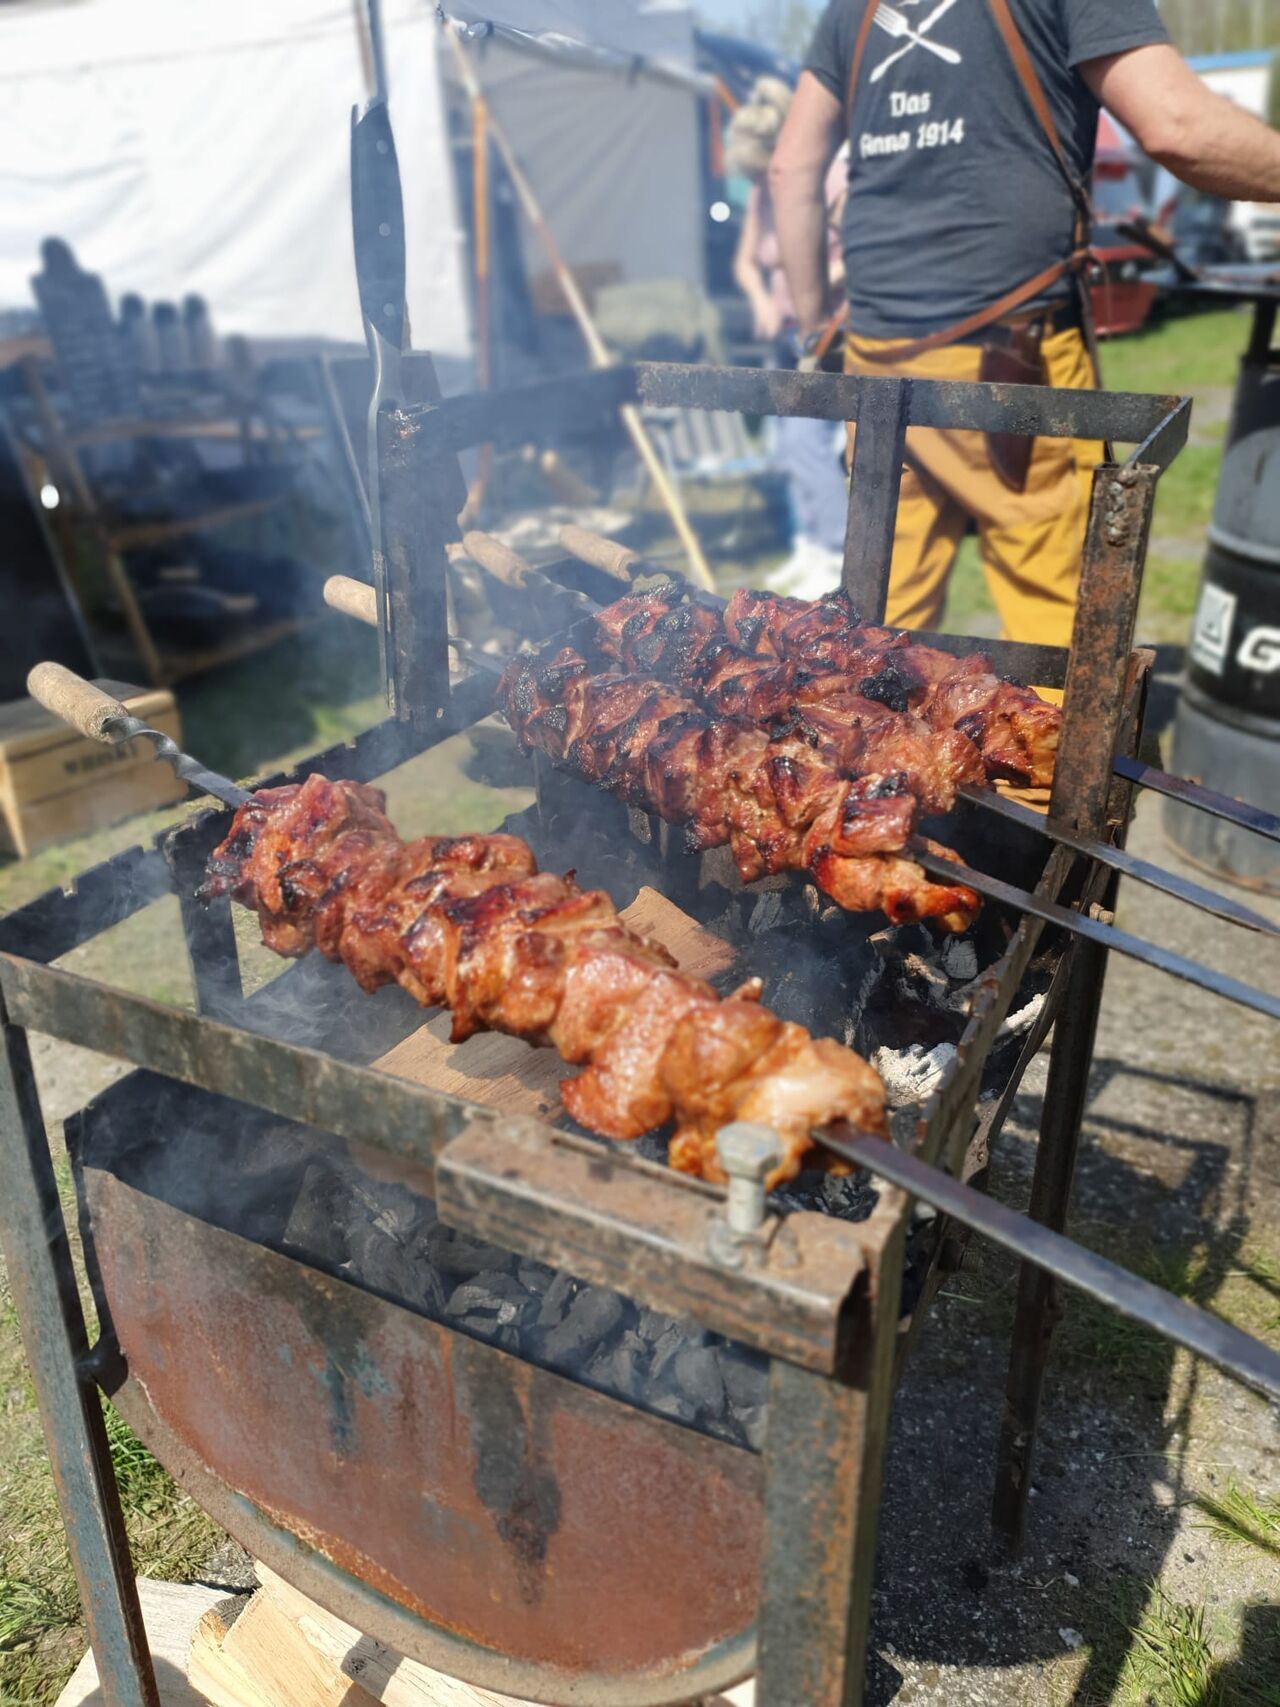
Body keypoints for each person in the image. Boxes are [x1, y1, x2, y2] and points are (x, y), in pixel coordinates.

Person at [769, 3, 1280, 646]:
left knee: (880, 618)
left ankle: (866, 714)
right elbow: (1177, 126)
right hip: (1013, 361)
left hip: (875, 362)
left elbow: (790, 169)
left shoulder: (852, 8)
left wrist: (818, 332)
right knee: (1053, 625)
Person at [727, 77, 849, 597]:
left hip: (826, 337)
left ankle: (836, 554)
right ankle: (810, 548)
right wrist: (761, 298)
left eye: (762, 171)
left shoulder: (830, 179)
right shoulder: (762, 193)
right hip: (784, 339)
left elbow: (861, 253)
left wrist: (814, 288)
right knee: (787, 446)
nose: (759, 181)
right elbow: (745, 262)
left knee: (807, 444)